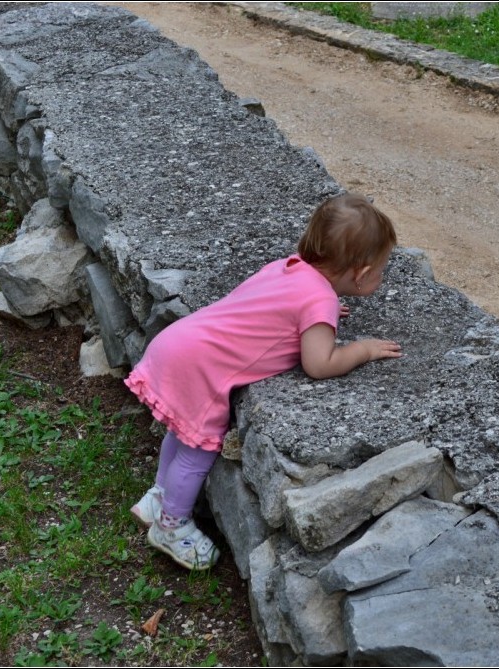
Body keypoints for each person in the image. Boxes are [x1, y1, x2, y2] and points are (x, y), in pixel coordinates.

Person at [125, 193, 403, 570]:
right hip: (201, 369)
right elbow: (319, 363)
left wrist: (324, 306)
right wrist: (361, 350)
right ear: (361, 273)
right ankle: (172, 525)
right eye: (381, 270)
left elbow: (277, 305)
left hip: (179, 344)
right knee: (199, 448)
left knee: (179, 432)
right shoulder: (317, 301)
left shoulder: (288, 268)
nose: (382, 277)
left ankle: (158, 497)